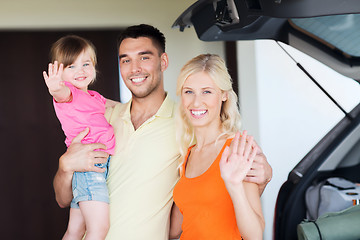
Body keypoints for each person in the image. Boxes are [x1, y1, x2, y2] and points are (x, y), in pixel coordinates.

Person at [52, 24, 272, 240]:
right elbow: (64, 199)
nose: (135, 68)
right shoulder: (102, 120)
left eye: (144, 57)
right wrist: (65, 167)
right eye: (126, 60)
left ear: (163, 61)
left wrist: (263, 177)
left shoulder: (188, 123)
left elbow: (222, 179)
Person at [169, 54, 265, 239]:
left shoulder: (238, 149)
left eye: (207, 91)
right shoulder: (187, 154)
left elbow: (255, 235)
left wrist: (234, 185)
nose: (196, 102)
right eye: (189, 92)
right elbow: (181, 226)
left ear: (223, 95)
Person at [43, 35, 116, 239]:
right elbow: (60, 93)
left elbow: (118, 107)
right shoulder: (69, 95)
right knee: (98, 228)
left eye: (86, 64)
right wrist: (56, 87)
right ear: (60, 72)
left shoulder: (94, 96)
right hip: (89, 170)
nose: (81, 70)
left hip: (91, 170)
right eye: (71, 66)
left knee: (75, 230)